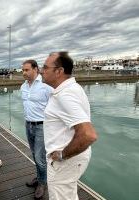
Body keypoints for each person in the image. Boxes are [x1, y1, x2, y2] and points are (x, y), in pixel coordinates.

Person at [41, 52, 98, 200]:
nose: (42, 70)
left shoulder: (65, 95)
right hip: (73, 160)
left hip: (65, 162)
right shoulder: (72, 89)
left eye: (45, 67)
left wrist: (62, 155)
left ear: (59, 71)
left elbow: (88, 134)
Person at [20, 59, 53, 199]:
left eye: (27, 70)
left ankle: (42, 183)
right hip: (28, 125)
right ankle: (40, 178)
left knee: (40, 157)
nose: (24, 73)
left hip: (41, 126)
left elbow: (56, 106)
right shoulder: (23, 86)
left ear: (36, 69)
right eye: (23, 70)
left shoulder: (46, 86)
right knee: (34, 155)